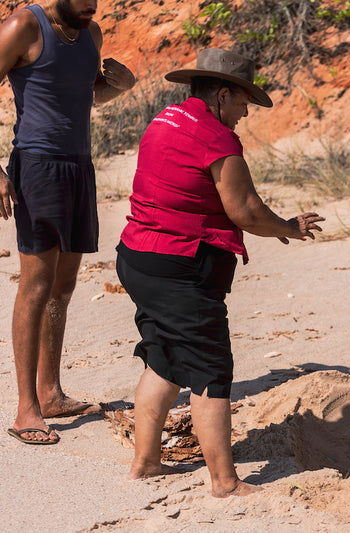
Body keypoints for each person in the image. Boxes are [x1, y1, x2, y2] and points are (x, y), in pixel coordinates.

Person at [116, 48, 324, 497]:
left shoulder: (164, 119)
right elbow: (244, 209)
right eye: (243, 103)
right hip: (179, 265)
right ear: (223, 94)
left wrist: (272, 226)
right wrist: (287, 227)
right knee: (211, 369)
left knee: (164, 357)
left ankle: (145, 463)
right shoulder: (215, 137)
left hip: (137, 257)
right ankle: (225, 483)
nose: (244, 113)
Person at [0, 0, 136, 445]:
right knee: (36, 285)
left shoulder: (90, 32)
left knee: (63, 286)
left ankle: (51, 393)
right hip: (38, 166)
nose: (90, 8)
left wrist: (118, 88)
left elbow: (87, 95)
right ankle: (26, 409)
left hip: (80, 165)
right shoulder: (23, 26)